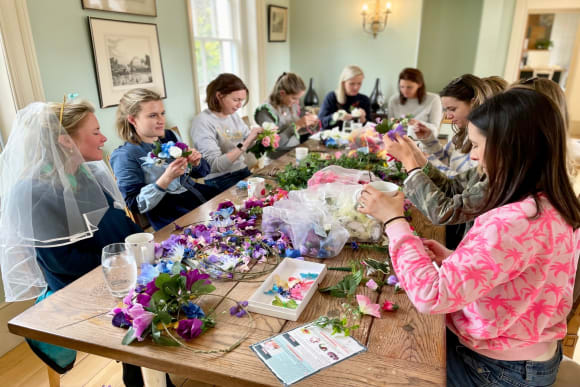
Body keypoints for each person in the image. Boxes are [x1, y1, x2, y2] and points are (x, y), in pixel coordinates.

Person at [358, 88, 580, 386]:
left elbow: (431, 296)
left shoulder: (513, 220)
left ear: (510, 148)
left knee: (378, 363)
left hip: (495, 369)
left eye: (476, 145)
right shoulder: (552, 204)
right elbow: (517, 275)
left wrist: (393, 220)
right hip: (527, 356)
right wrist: (454, 259)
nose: (473, 156)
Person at [0, 101, 164, 386]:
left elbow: (120, 223)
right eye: (96, 132)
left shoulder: (87, 173)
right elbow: (63, 265)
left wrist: (144, 248)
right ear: (65, 141)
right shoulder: (32, 192)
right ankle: (143, 377)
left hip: (117, 269)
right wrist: (130, 271)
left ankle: (145, 373)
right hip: (77, 288)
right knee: (151, 301)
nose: (104, 139)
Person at [111, 88, 217, 231]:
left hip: (202, 200)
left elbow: (201, 173)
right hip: (173, 218)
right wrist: (166, 179)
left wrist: (196, 163)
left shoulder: (169, 136)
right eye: (153, 115)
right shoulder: (124, 155)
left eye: (162, 113)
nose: (161, 120)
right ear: (132, 119)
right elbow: (134, 205)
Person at [191, 73, 263, 192]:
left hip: (242, 171)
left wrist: (262, 137)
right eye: (236, 100)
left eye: (242, 100)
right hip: (219, 179)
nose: (239, 105)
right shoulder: (202, 122)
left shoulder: (233, 115)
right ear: (219, 95)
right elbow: (215, 165)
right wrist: (247, 142)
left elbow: (249, 141)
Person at [413, 74, 492, 177]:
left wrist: (428, 162)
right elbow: (448, 161)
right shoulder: (463, 133)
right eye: (446, 110)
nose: (448, 116)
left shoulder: (483, 141)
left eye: (453, 109)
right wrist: (428, 140)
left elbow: (461, 184)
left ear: (473, 103)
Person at [254, 72, 319, 152]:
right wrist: (297, 125)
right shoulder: (265, 111)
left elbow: (295, 132)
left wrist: (309, 123)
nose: (297, 102)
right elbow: (273, 144)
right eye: (294, 98)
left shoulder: (290, 104)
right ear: (282, 93)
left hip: (294, 151)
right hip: (276, 158)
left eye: (298, 98)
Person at [387, 68, 442, 137]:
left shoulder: (433, 99)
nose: (405, 91)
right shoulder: (394, 100)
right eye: (402, 87)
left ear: (420, 84)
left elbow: (435, 128)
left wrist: (418, 123)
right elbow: (390, 126)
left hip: (422, 140)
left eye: (409, 87)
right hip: (399, 139)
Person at [318, 65, 371, 129]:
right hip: (331, 138)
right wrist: (336, 117)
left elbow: (371, 129)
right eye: (352, 83)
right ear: (343, 83)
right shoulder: (332, 97)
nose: (356, 87)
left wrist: (364, 120)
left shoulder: (364, 100)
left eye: (359, 83)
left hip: (355, 138)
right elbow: (320, 123)